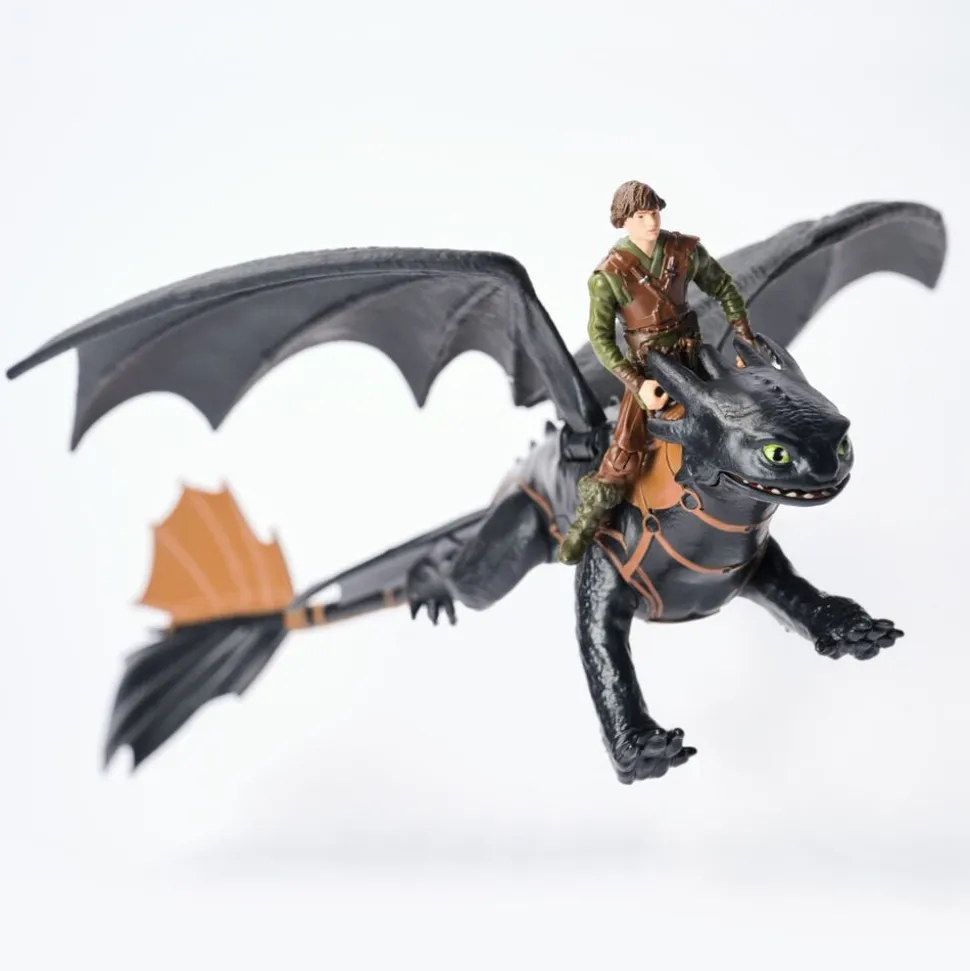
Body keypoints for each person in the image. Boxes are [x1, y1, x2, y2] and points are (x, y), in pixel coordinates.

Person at [558, 180, 755, 564]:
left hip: (694, 357)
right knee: (624, 453)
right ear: (623, 221)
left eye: (654, 212)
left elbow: (724, 288)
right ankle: (586, 523)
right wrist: (638, 384)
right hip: (649, 370)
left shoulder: (683, 251)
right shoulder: (610, 275)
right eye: (640, 215)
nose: (651, 222)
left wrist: (744, 340)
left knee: (741, 411)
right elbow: (600, 337)